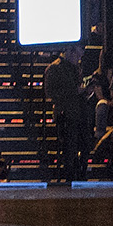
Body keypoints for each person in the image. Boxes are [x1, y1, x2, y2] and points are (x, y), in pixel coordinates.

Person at [42, 45, 92, 181]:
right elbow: (50, 93)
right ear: (70, 51)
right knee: (70, 147)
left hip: (80, 112)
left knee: (86, 144)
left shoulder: (75, 68)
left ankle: (80, 173)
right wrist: (74, 92)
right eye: (78, 55)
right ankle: (71, 175)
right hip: (66, 114)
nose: (79, 59)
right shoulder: (55, 68)